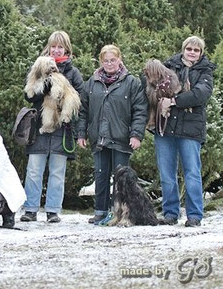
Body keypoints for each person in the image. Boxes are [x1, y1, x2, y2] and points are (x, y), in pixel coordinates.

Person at [76, 45, 148, 225]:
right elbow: (83, 110)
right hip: (99, 137)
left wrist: (136, 135)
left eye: (112, 60)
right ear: (101, 61)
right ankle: (100, 211)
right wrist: (81, 134)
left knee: (121, 179)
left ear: (119, 60)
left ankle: (122, 214)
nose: (109, 64)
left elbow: (140, 110)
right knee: (100, 174)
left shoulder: (131, 82)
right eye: (106, 61)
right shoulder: (91, 83)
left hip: (122, 138)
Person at [20, 31, 84, 223]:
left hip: (62, 130)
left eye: (60, 47)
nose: (56, 50)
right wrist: (43, 90)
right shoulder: (38, 67)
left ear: (67, 49)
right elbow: (28, 95)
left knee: (57, 172)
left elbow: (81, 100)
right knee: (34, 169)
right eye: (53, 46)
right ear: (48, 48)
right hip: (38, 127)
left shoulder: (73, 73)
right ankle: (30, 208)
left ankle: (53, 210)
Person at [155, 36, 214, 227]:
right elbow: (153, 86)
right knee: (167, 173)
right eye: (189, 48)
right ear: (183, 49)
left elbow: (200, 95)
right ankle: (170, 213)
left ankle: (195, 215)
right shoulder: (168, 67)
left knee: (192, 173)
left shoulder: (205, 71)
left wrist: (173, 101)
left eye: (196, 50)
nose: (192, 52)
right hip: (165, 128)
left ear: (201, 52)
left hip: (191, 129)